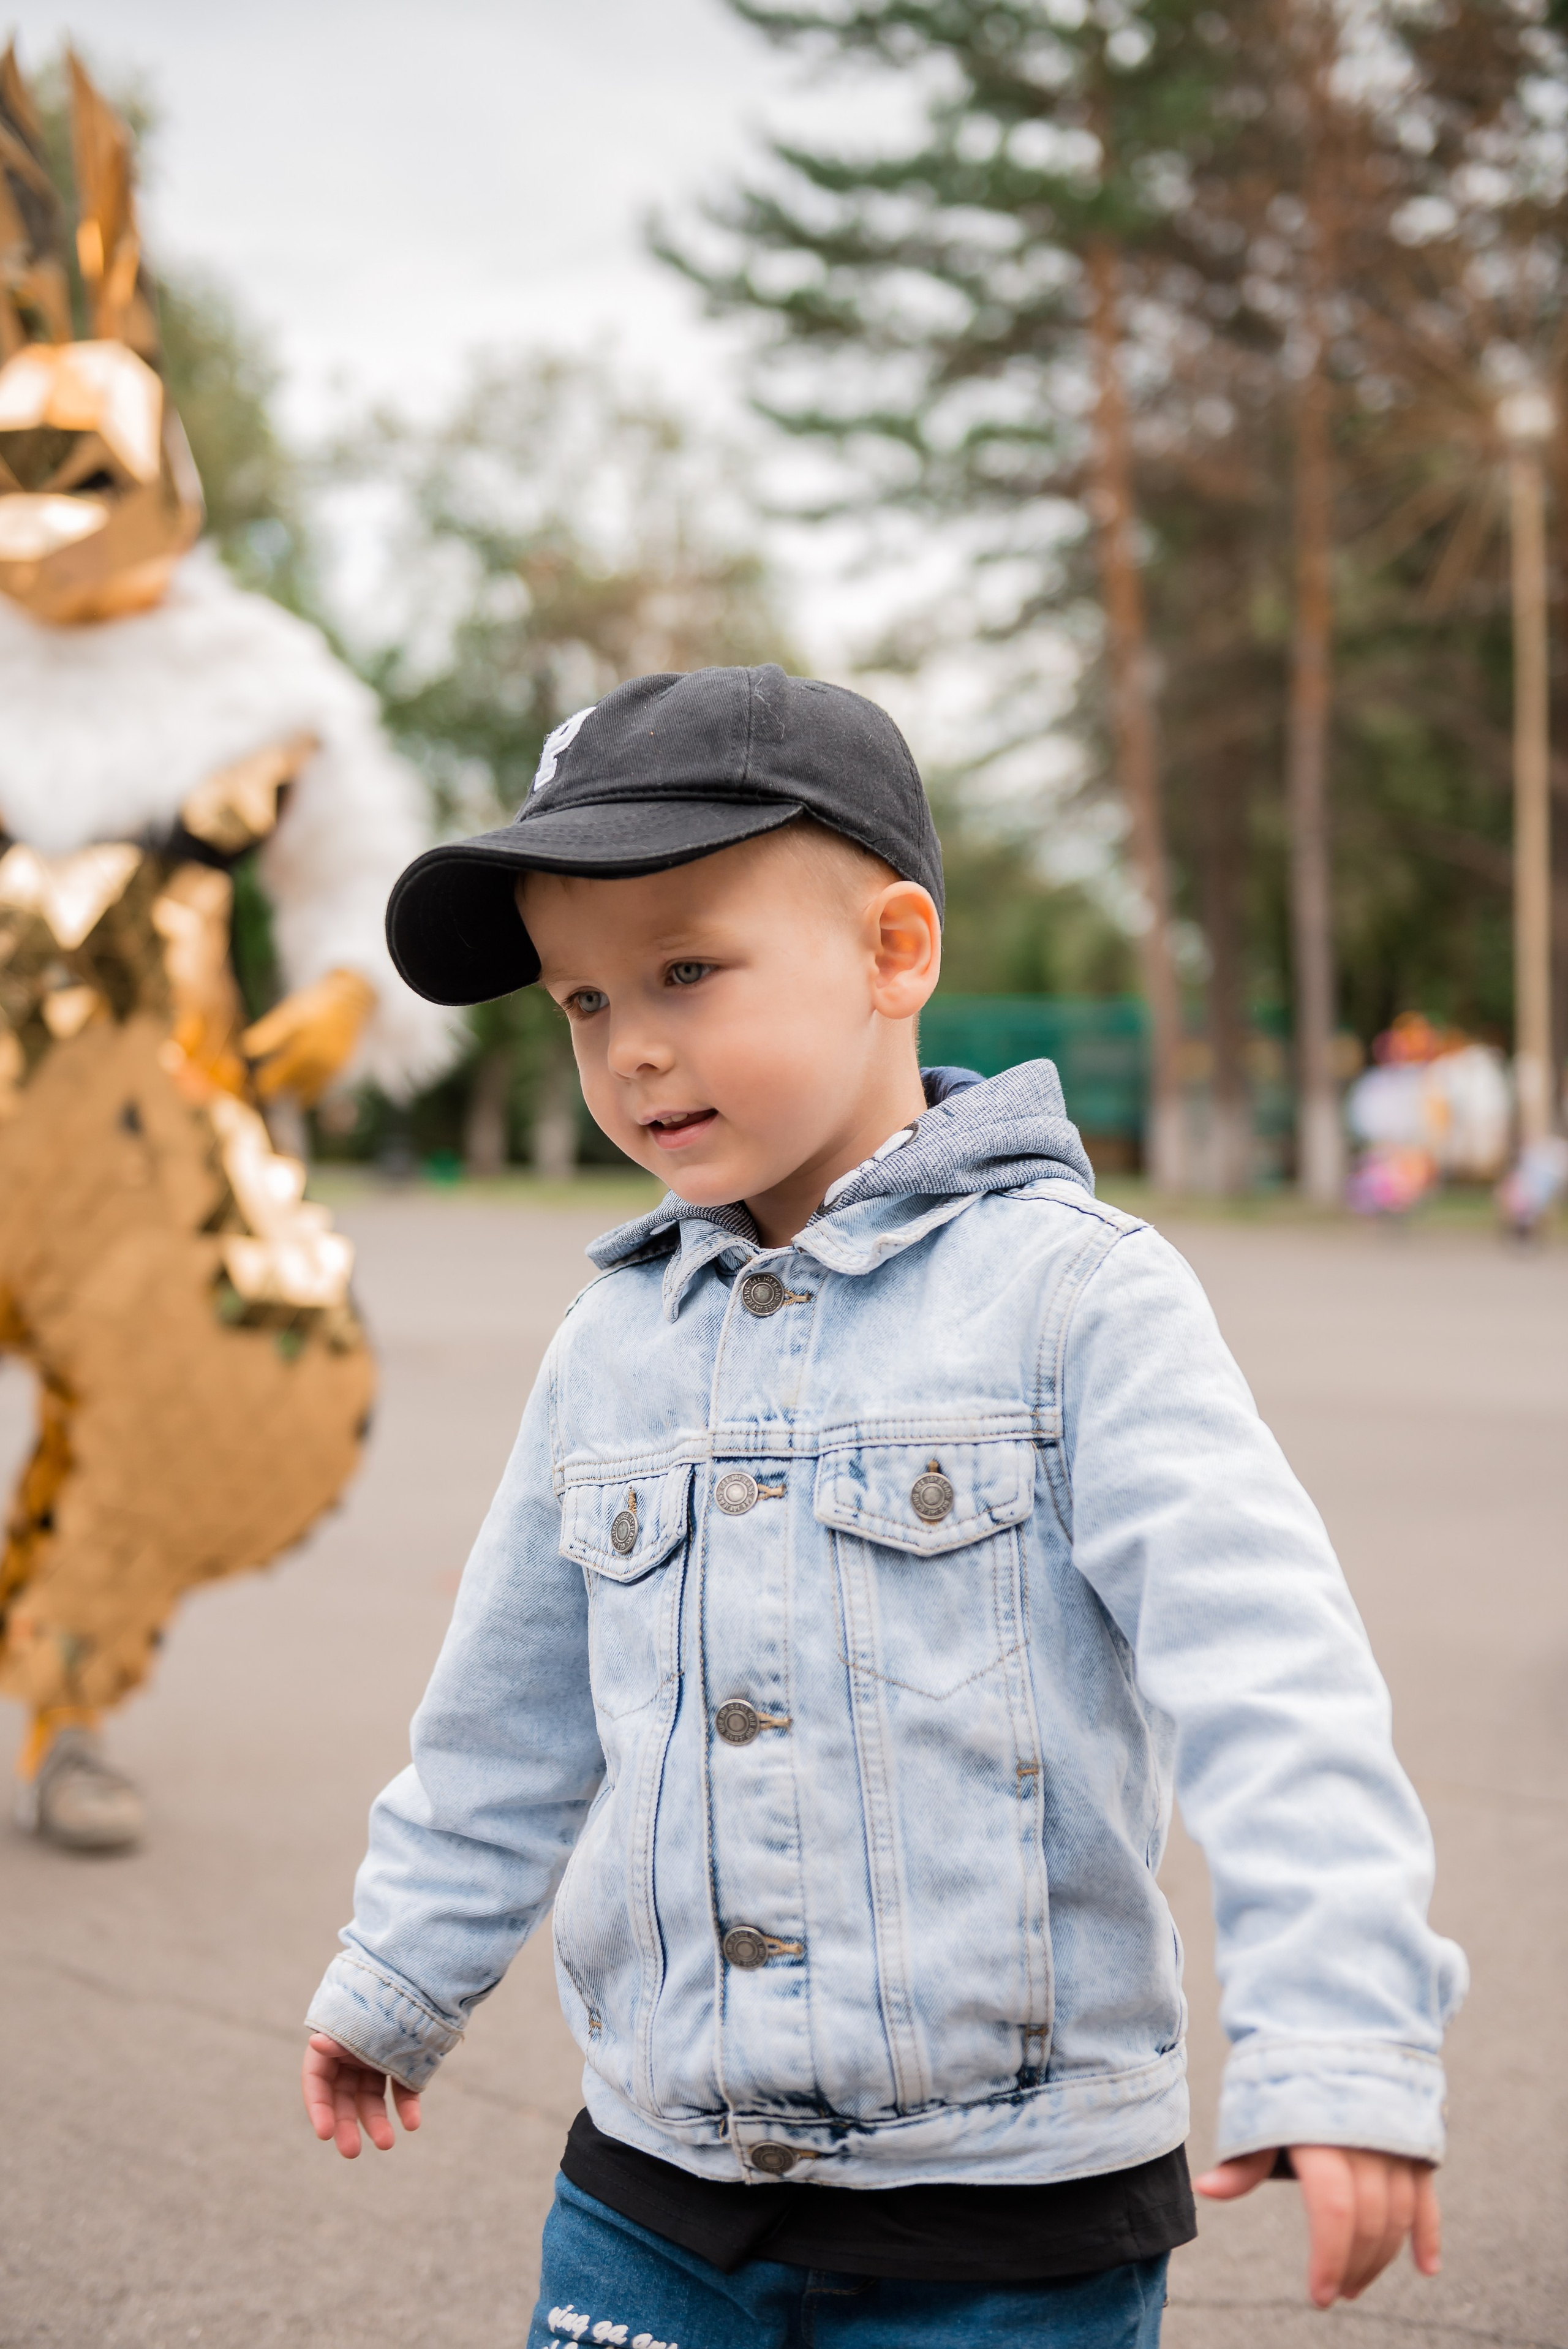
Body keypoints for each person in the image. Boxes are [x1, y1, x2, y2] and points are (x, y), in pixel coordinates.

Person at [302, 665, 1464, 2347]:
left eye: (688, 968)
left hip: (1009, 2221)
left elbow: (1273, 1681)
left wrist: (1346, 2041)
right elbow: (506, 1711)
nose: (631, 1047)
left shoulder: (1077, 1304)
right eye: (580, 1002)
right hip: (653, 2192)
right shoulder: (612, 1341)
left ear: (894, 951)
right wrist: (400, 1969)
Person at [0, 48, 453, 1850]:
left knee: (208, 1388)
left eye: (75, 462)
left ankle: (72, 1695)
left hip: (153, 1144)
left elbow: (371, 865)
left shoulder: (257, 674)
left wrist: (348, 988)